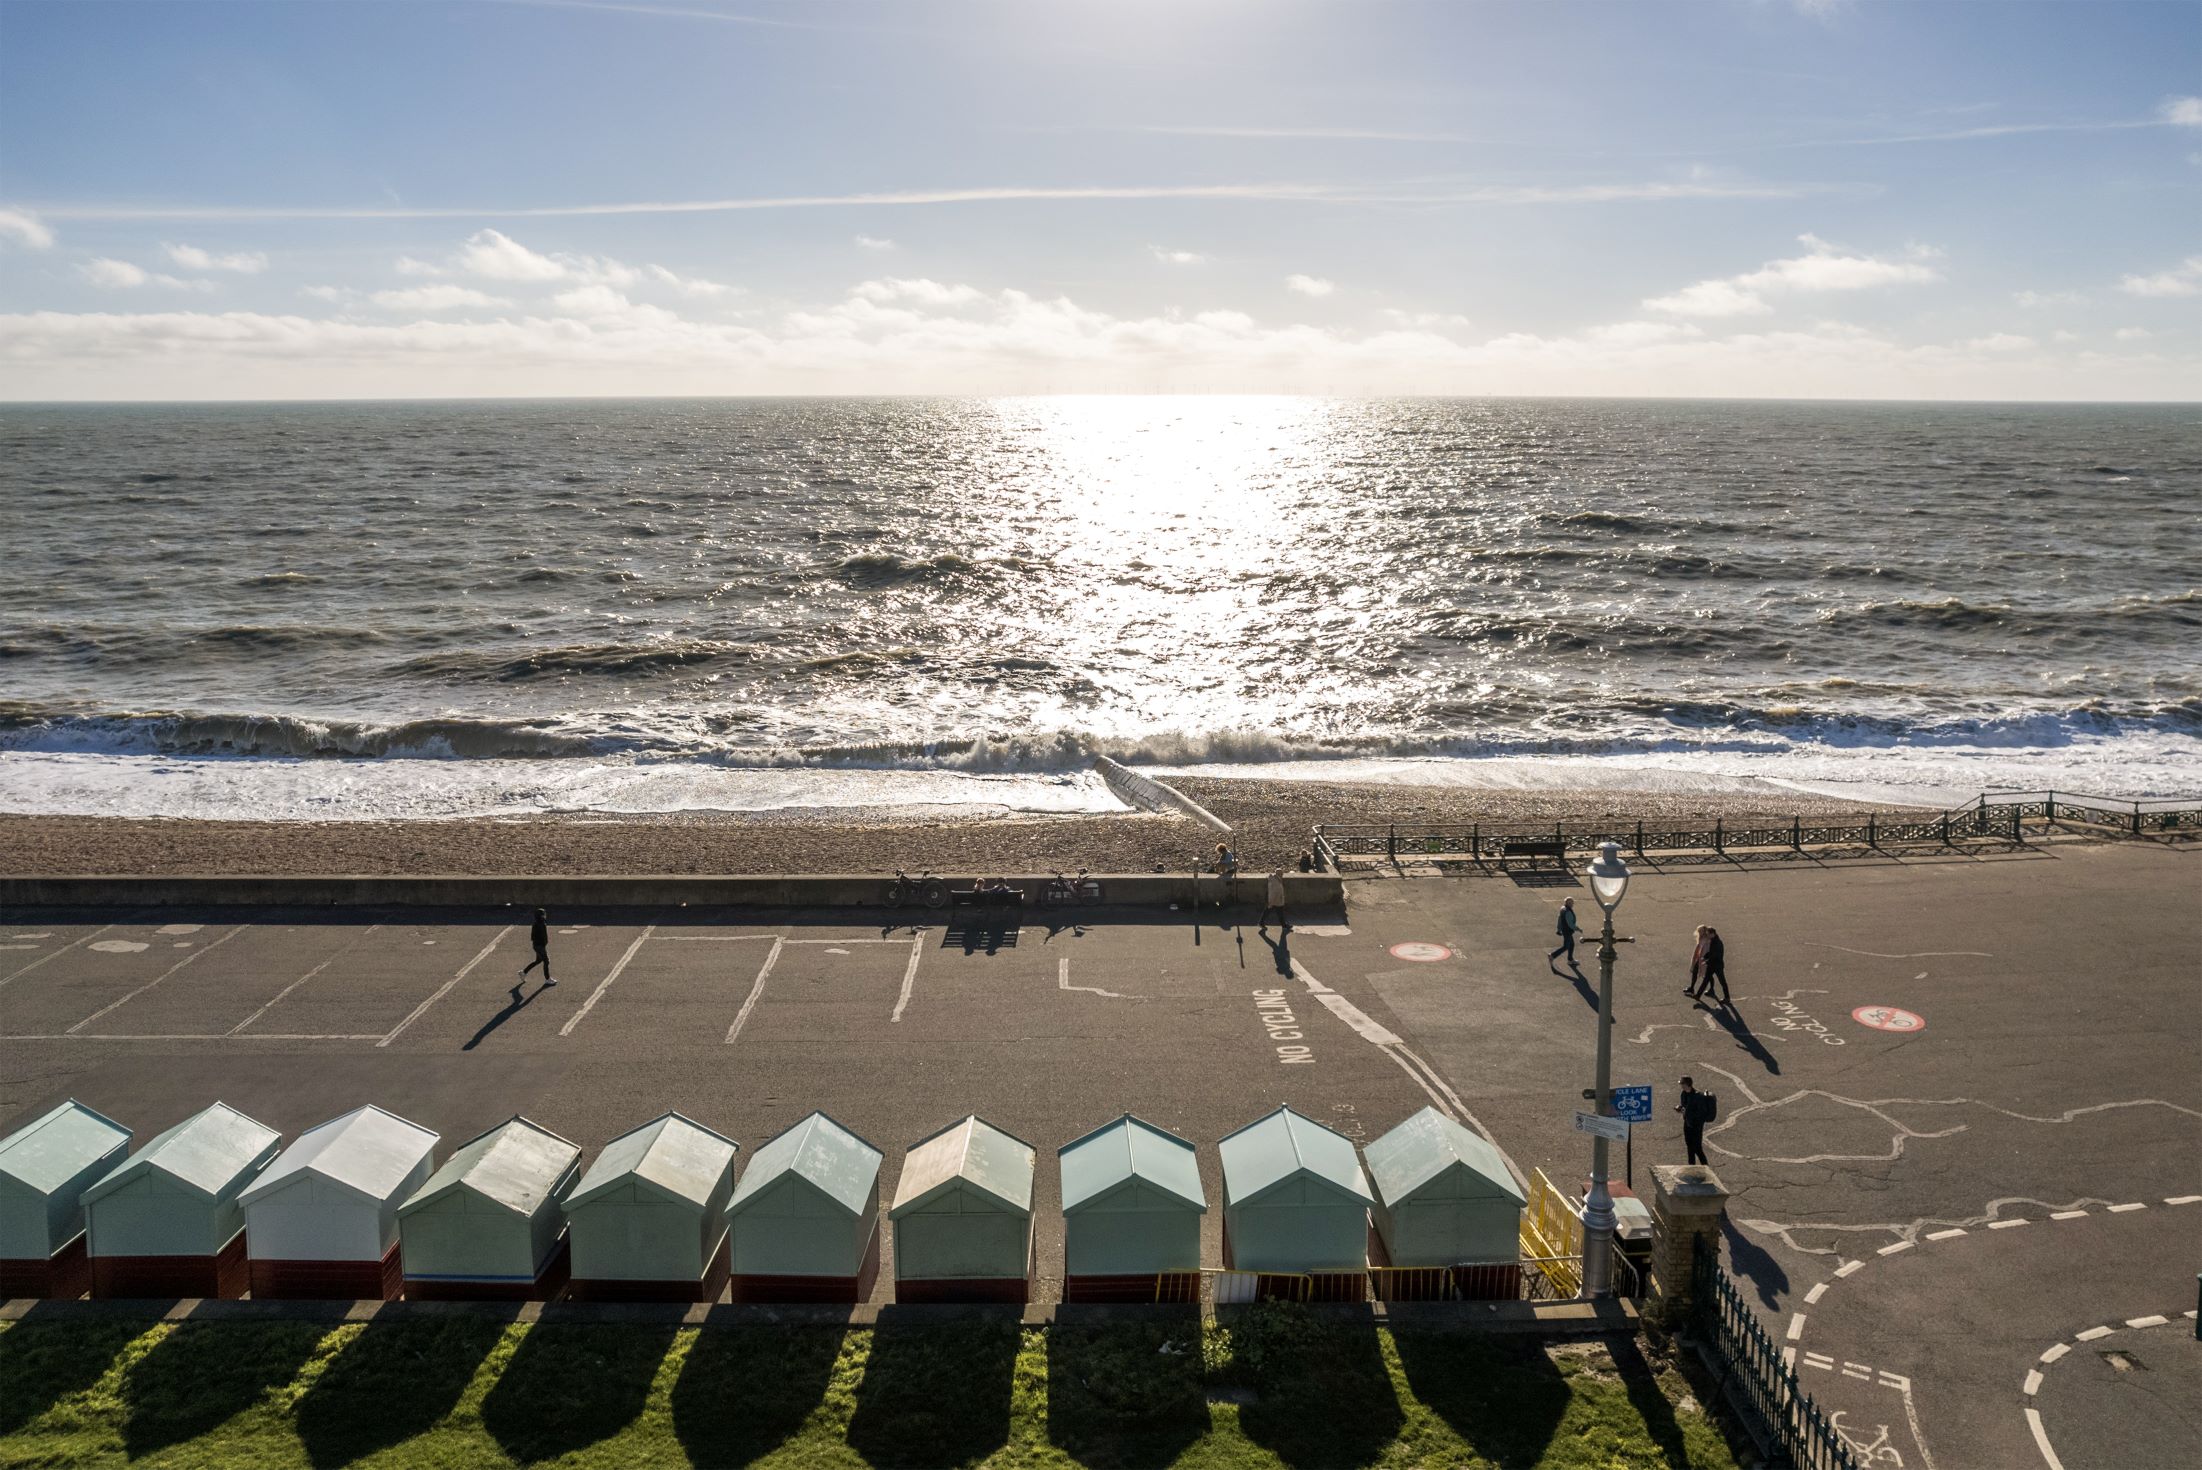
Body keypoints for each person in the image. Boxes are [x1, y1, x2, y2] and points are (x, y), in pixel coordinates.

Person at [1675, 1076, 1715, 1165]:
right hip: (1687, 1123)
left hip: (1696, 1125)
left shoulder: (1698, 1096)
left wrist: (1687, 1112)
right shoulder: (1683, 1094)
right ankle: (1691, 1167)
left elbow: (1701, 1113)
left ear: (1687, 1084)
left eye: (1682, 1084)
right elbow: (1684, 1106)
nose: (1681, 1085)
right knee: (1689, 1147)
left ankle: (1705, 1167)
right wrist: (1680, 1108)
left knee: (1697, 1148)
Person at [1688, 925, 1729, 1006]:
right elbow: (1710, 953)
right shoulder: (1713, 940)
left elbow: (1715, 955)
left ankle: (1727, 997)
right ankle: (1698, 996)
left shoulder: (1718, 943)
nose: (1707, 936)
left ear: (1712, 934)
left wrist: (1706, 961)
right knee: (1705, 980)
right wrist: (1704, 957)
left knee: (1722, 982)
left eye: (1708, 934)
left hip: (1717, 966)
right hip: (1711, 965)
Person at [518, 907, 555, 986]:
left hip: (538, 945)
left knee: (538, 961)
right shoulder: (540, 924)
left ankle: (523, 972)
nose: (545, 915)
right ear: (541, 916)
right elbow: (538, 936)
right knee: (546, 961)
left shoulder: (539, 923)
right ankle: (547, 979)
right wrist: (543, 944)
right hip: (539, 946)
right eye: (543, 914)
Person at [1548, 897, 1580, 968]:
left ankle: (1570, 959)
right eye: (1571, 902)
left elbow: (1559, 919)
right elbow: (1571, 924)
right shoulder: (1568, 912)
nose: (1572, 904)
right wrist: (1578, 929)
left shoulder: (1563, 908)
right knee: (1566, 946)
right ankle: (1552, 955)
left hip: (1565, 930)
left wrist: (1559, 929)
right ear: (1568, 903)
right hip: (1567, 931)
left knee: (1571, 944)